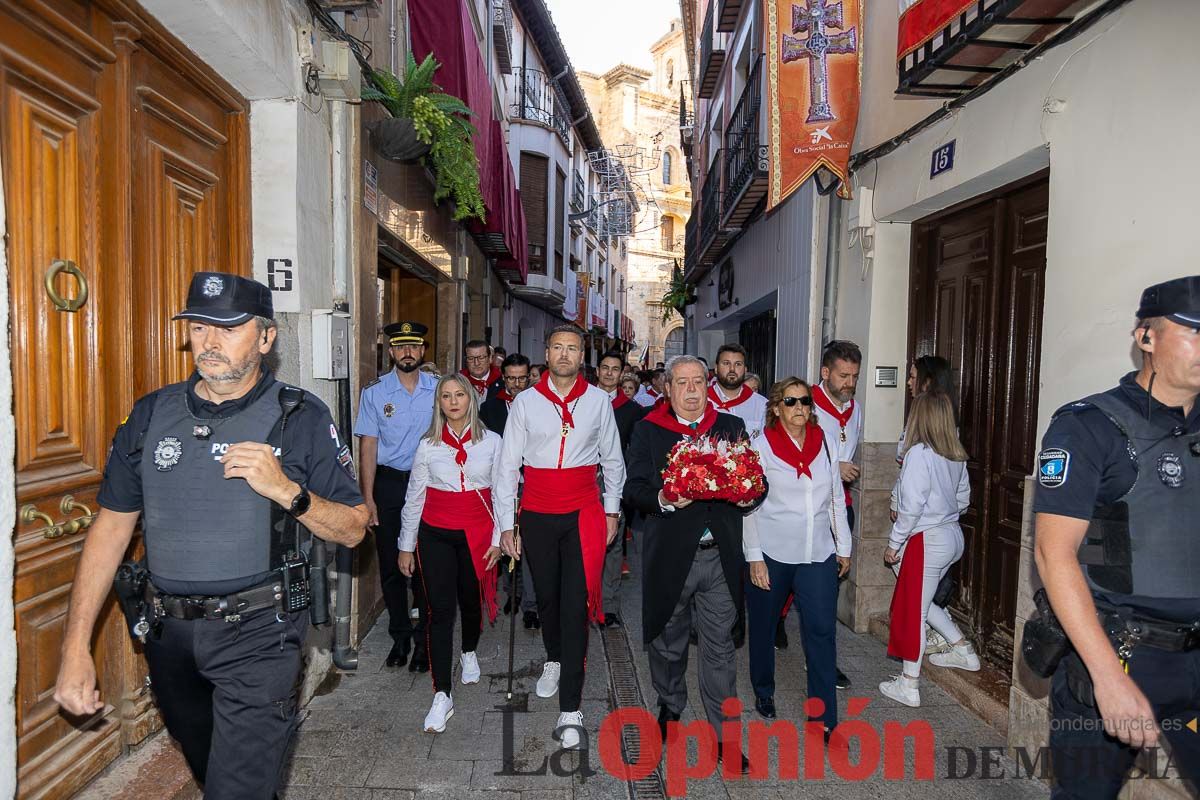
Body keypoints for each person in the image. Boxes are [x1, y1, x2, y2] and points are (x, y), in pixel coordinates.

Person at [53, 272, 368, 798]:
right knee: (212, 769)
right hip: (168, 638)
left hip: (258, 636)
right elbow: (110, 527)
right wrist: (73, 647)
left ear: (266, 338)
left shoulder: (300, 417)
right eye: (199, 327)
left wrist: (288, 491)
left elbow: (356, 528)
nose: (210, 342)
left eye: (229, 328)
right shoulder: (152, 415)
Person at [1033, 276, 1200, 798]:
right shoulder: (1091, 427)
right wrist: (1108, 679)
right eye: (1195, 332)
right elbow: (1051, 553)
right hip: (1121, 653)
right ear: (1145, 338)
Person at [624, 355, 759, 774]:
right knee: (668, 642)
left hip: (718, 556)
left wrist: (749, 495)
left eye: (698, 381)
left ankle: (726, 736)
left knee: (720, 649)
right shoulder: (649, 430)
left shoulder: (730, 427)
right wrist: (664, 500)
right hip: (670, 557)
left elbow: (757, 479)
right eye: (682, 382)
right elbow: (635, 489)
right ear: (668, 387)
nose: (692, 389)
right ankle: (670, 705)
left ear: (708, 383)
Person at [494, 326, 625, 750]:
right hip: (536, 511)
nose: (565, 355)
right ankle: (553, 658)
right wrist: (505, 524)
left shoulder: (599, 401)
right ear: (546, 353)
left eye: (572, 349)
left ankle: (572, 704)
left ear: (581, 355)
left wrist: (611, 511)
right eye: (557, 348)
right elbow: (507, 466)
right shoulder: (526, 402)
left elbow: (614, 460)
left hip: (584, 510)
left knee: (576, 602)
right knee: (547, 599)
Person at [743, 378, 850, 734]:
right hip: (772, 551)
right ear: (776, 408)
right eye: (791, 402)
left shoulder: (827, 444)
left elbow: (835, 497)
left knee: (821, 630)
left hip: (817, 551)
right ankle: (763, 690)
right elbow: (749, 508)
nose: (800, 407)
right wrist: (754, 556)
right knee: (762, 625)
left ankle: (823, 715)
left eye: (805, 401)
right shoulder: (760, 447)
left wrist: (843, 545)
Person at [398, 374, 504, 733]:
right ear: (439, 403)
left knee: (470, 600)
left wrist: (498, 538)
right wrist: (405, 545)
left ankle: (469, 650)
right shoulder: (428, 445)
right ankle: (442, 695)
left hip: (477, 533)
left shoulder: (492, 442)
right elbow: (415, 496)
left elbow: (503, 493)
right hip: (435, 534)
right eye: (446, 396)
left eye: (460, 394)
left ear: (471, 400)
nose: (454, 401)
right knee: (439, 610)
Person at [879, 391, 977, 708]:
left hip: (926, 539)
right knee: (918, 601)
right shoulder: (955, 452)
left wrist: (894, 545)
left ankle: (909, 683)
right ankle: (962, 650)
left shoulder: (920, 454)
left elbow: (911, 506)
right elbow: (963, 499)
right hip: (951, 535)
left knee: (912, 611)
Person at [355, 321, 437, 671]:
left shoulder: (439, 389)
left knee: (426, 566)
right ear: (391, 352)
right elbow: (368, 446)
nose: (407, 352)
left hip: (431, 485)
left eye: (414, 346)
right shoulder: (374, 394)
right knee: (391, 566)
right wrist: (368, 497)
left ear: (422, 351)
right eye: (400, 346)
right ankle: (400, 636)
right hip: (389, 485)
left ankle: (424, 642)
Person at [891, 355, 957, 657]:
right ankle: (949, 637)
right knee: (915, 592)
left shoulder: (930, 439)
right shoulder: (933, 436)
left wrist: (897, 536)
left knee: (914, 602)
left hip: (924, 529)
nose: (908, 382)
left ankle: (912, 676)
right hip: (937, 526)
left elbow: (917, 492)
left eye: (913, 375)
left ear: (927, 381)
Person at [807, 339, 863, 687]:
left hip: (840, 509)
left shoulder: (854, 409)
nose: (850, 383)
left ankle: (826, 661)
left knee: (828, 592)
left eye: (854, 376)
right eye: (843, 375)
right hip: (808, 512)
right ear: (826, 372)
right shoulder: (804, 405)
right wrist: (834, 467)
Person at [479, 352, 541, 629]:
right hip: (502, 481)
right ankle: (511, 593)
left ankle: (531, 603)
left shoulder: (540, 405)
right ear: (502, 378)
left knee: (528, 543)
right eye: (511, 378)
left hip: (533, 482)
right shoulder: (490, 408)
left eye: (522, 378)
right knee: (505, 535)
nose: (516, 384)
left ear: (529, 377)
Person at [596, 351, 648, 628]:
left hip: (613, 484)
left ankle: (609, 606)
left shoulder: (632, 410)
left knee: (613, 546)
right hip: (582, 480)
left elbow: (635, 450)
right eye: (605, 368)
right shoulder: (584, 402)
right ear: (597, 370)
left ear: (621, 374)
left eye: (614, 369)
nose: (608, 373)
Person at [709, 344, 767, 437]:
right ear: (716, 368)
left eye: (738, 364)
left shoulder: (762, 405)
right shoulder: (702, 401)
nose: (732, 369)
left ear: (745, 369)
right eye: (726, 363)